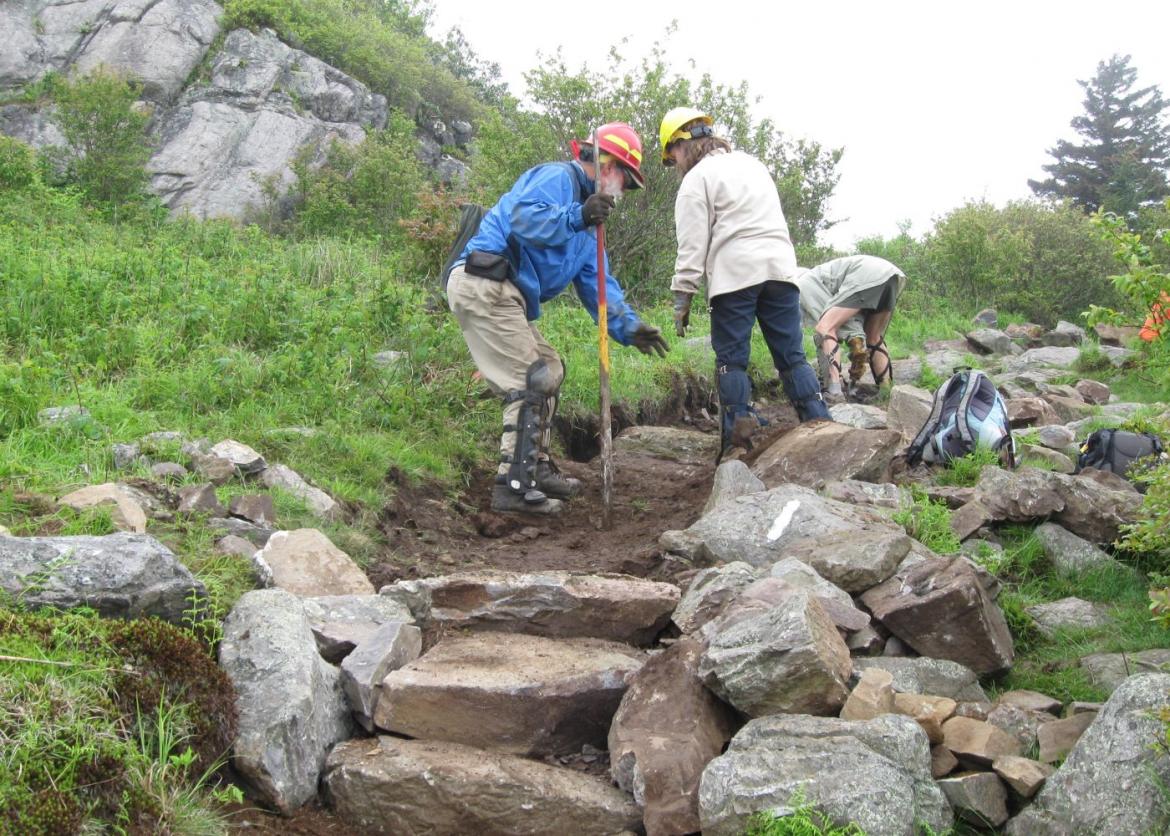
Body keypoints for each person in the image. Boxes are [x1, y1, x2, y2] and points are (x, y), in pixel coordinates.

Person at [447, 122, 669, 515]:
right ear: (606, 164)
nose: (625, 191)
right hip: (485, 281)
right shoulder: (557, 179)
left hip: (506, 293)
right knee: (529, 378)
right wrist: (577, 215)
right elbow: (523, 218)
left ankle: (536, 468)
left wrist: (629, 327)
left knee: (550, 368)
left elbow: (600, 286)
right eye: (626, 180)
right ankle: (511, 487)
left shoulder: (589, 230)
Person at [660, 106, 830, 457]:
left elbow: (692, 245)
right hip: (781, 270)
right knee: (792, 358)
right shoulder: (753, 165)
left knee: (731, 360)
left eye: (671, 153)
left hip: (735, 275)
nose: (674, 162)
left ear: (681, 143)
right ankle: (820, 429)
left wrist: (682, 297)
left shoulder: (696, 180)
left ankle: (736, 439)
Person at [794, 255, 906, 401]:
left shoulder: (803, 282)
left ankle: (834, 389)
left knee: (825, 328)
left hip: (865, 275)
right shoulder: (824, 276)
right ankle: (886, 392)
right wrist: (855, 336)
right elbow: (849, 315)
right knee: (873, 336)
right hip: (891, 275)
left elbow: (827, 324)